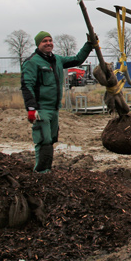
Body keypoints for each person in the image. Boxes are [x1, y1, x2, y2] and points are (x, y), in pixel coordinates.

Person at [21, 30, 95, 173]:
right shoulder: (32, 62)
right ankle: (41, 173)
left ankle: (46, 170)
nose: (48, 43)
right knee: (44, 139)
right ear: (38, 44)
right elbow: (27, 85)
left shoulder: (57, 60)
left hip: (54, 108)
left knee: (52, 139)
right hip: (41, 108)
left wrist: (89, 44)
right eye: (44, 41)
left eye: (50, 40)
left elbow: (77, 59)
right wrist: (31, 108)